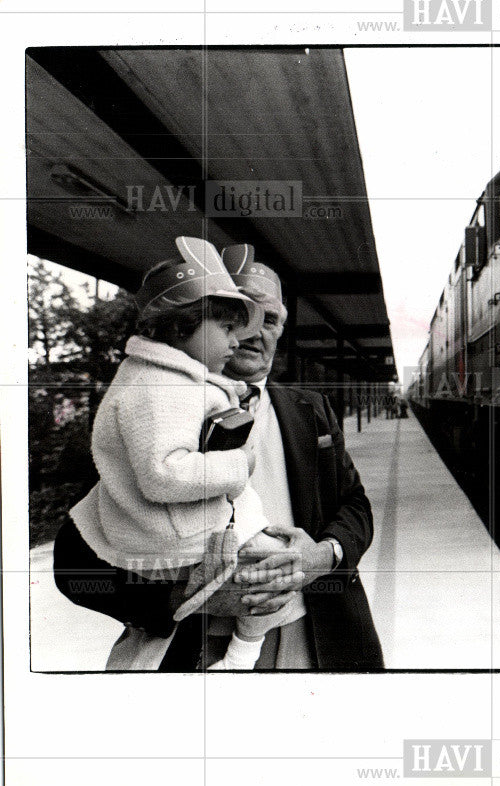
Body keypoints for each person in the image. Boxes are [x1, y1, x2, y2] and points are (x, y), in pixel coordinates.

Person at [54, 243, 384, 670]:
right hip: (191, 643)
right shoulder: (145, 408)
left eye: (269, 319)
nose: (251, 332)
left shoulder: (312, 410)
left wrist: (323, 555)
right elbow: (72, 561)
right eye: (234, 320)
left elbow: (355, 506)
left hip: (311, 635)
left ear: (282, 326)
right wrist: (188, 593)